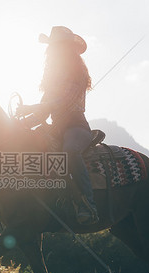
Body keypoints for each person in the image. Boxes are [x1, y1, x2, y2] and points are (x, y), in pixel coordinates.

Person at [17, 26, 98, 225]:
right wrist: (22, 123)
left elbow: (64, 102)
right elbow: (43, 111)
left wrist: (32, 107)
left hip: (76, 127)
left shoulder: (76, 73)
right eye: (52, 48)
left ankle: (88, 204)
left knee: (70, 150)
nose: (53, 51)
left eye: (57, 47)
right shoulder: (52, 78)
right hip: (57, 128)